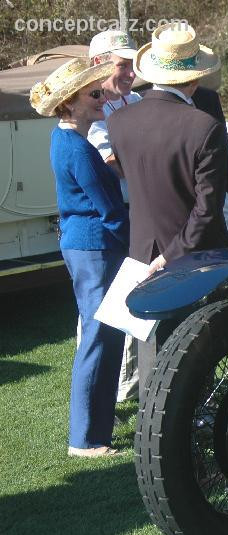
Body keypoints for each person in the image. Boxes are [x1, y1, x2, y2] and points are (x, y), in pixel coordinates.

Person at [107, 23, 228, 393]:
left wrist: (159, 254)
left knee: (153, 353)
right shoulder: (203, 126)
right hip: (197, 257)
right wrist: (174, 253)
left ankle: (154, 426)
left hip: (142, 249)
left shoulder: (118, 121)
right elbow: (207, 208)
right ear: (193, 81)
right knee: (199, 350)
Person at [30, 57, 129, 457]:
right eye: (94, 93)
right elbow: (108, 210)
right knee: (98, 337)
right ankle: (85, 439)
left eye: (100, 90)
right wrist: (142, 246)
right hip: (95, 249)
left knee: (104, 335)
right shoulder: (77, 148)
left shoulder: (69, 139)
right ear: (69, 104)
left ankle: (96, 430)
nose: (102, 96)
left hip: (87, 246)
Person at [85, 29, 141, 403]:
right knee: (100, 312)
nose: (130, 74)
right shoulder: (86, 108)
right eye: (122, 65)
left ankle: (132, 386)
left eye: (132, 66)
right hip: (107, 223)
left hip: (138, 215)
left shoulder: (136, 100)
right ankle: (101, 391)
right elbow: (113, 163)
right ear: (97, 65)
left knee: (136, 301)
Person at [193, 85, 228, 248]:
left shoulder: (207, 97)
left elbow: (222, 148)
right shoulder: (144, 98)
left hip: (221, 193)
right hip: (179, 199)